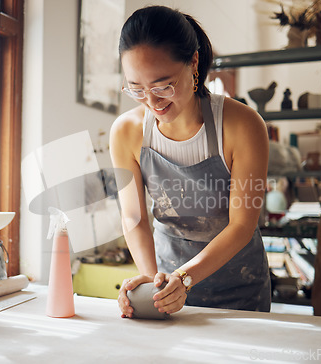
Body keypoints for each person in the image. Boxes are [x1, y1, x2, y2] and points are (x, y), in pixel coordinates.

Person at [109, 5, 271, 318]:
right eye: (137, 89)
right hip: (168, 291)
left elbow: (242, 224)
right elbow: (133, 217)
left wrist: (185, 277)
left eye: (163, 85)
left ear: (193, 62)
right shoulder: (126, 132)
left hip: (239, 287)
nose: (152, 102)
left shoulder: (242, 125)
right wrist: (152, 281)